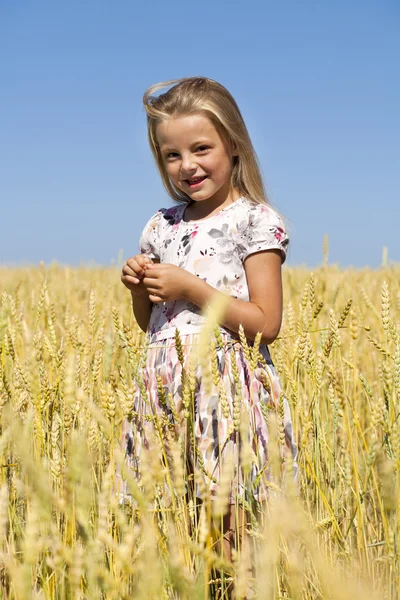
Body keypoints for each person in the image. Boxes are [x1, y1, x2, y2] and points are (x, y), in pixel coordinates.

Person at [120, 77, 297, 558]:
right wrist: (141, 287)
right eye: (172, 155)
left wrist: (192, 288)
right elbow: (153, 324)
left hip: (226, 389)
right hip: (165, 385)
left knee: (227, 527)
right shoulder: (161, 225)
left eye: (201, 148)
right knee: (175, 521)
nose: (187, 165)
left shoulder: (254, 220)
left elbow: (266, 322)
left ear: (234, 145)